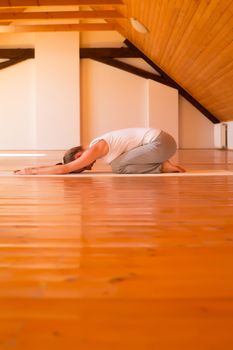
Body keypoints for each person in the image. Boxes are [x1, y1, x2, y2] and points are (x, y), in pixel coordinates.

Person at [14, 128, 185, 175]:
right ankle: (162, 164)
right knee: (118, 164)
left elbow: (65, 169)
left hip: (160, 143)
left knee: (118, 167)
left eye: (84, 166)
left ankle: (162, 167)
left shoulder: (96, 147)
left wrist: (30, 171)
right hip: (161, 143)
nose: (90, 167)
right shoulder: (100, 146)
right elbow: (63, 166)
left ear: (79, 156)